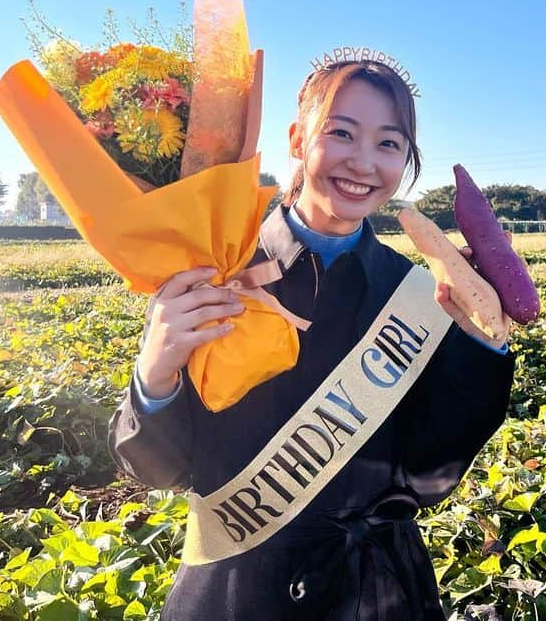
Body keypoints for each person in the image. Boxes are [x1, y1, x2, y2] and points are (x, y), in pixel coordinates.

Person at [109, 57, 516, 620]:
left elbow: (427, 475)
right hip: (236, 586)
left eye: (389, 144)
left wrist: (479, 348)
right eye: (341, 133)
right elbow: (159, 471)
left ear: (405, 161)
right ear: (298, 138)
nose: (363, 162)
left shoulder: (419, 297)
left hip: (373, 591)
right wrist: (155, 372)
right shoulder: (214, 268)